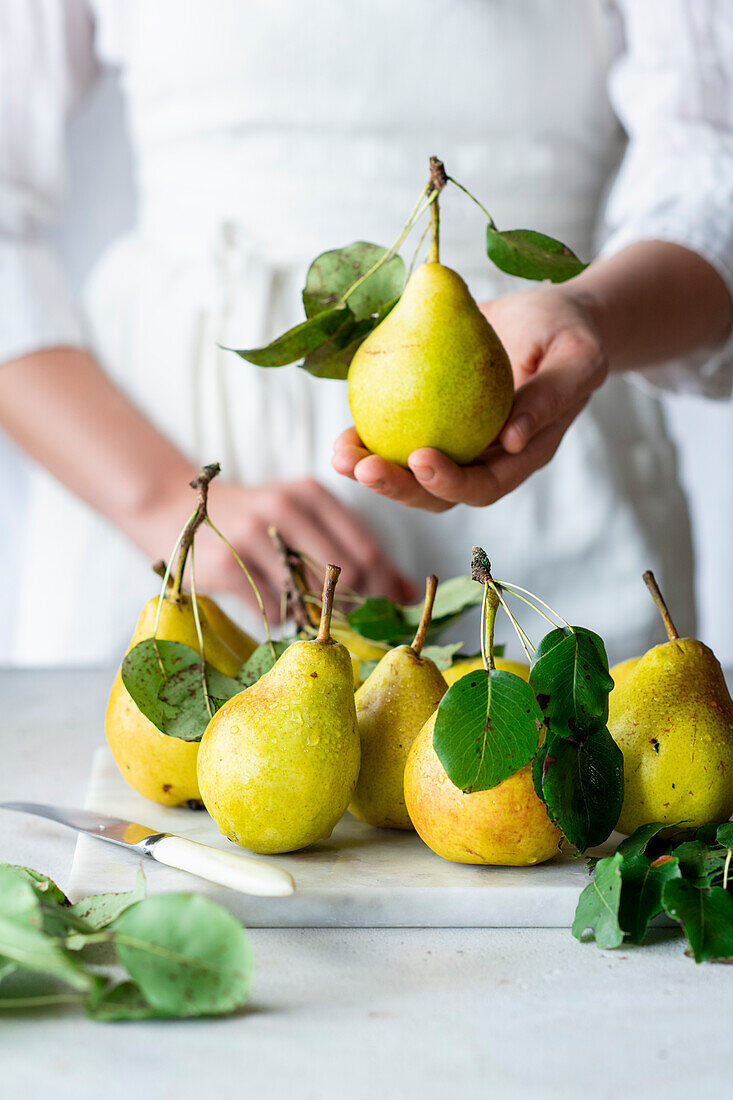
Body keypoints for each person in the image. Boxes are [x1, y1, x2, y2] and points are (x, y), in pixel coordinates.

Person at [0, 0, 731, 666]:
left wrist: (590, 313)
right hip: (163, 495)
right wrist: (162, 498)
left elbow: (711, 172)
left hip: (546, 476)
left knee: (553, 791)